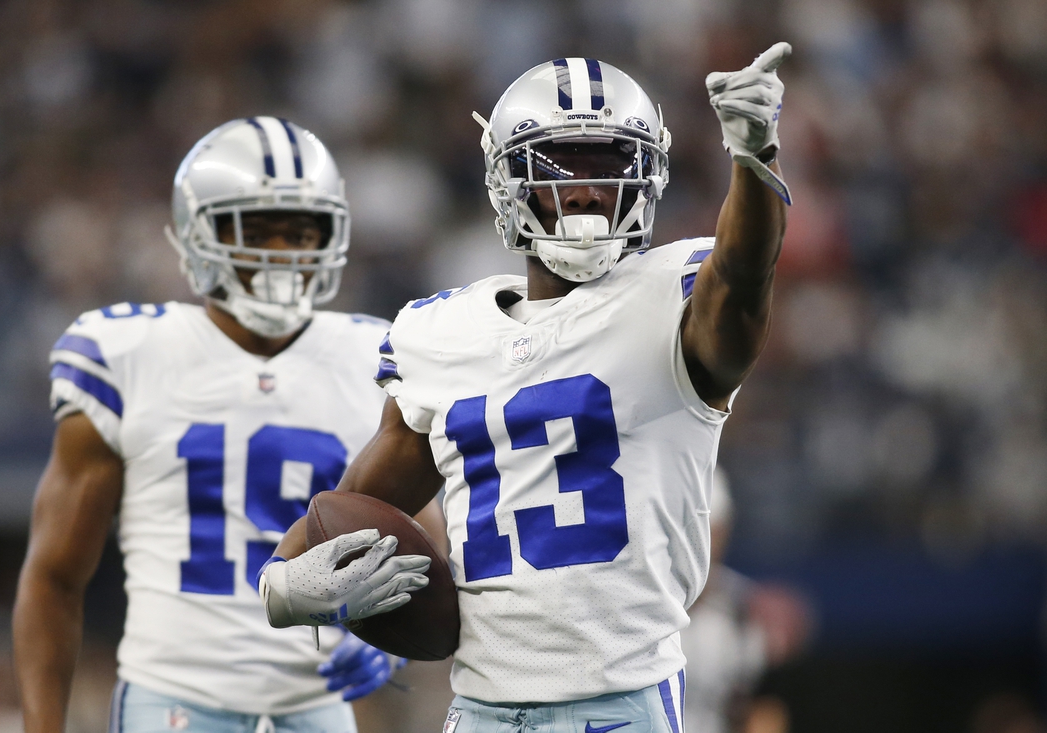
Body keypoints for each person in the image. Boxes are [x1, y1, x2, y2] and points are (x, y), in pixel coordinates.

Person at [261, 44, 793, 733]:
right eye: (558, 165)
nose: (584, 189)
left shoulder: (676, 299)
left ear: (647, 175)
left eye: (609, 164)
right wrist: (282, 582)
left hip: (619, 704)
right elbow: (353, 504)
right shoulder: (440, 333)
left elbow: (746, 274)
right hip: (479, 708)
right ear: (507, 181)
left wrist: (754, 160)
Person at [12, 116, 441, 733]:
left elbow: (426, 548)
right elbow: (54, 576)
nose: (283, 253)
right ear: (197, 233)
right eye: (256, 229)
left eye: (303, 230)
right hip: (174, 699)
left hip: (314, 704)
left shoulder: (374, 355)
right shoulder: (126, 354)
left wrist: (383, 625)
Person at [680, 469, 810, 733]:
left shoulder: (750, 613)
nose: (699, 543)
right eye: (689, 530)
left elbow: (767, 712)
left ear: (724, 532)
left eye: (710, 532)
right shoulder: (639, 606)